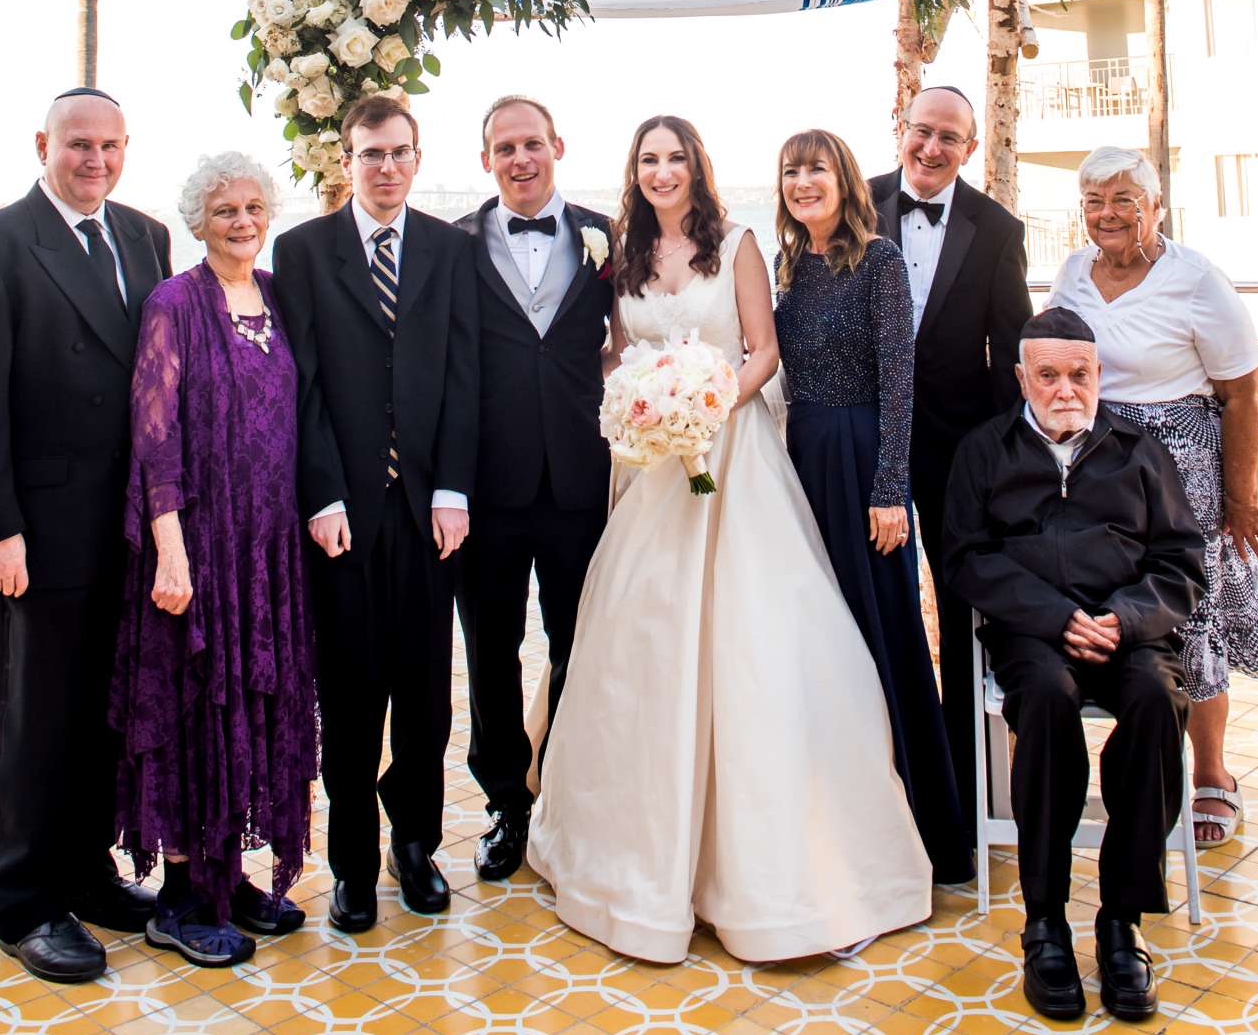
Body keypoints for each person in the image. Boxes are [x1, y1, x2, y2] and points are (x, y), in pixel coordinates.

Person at [530, 115, 932, 963]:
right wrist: (639, 396)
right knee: (642, 642)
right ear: (633, 171)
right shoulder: (622, 257)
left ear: (698, 168)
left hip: (731, 456)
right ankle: (630, 852)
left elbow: (763, 351)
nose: (662, 171)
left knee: (755, 641)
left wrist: (705, 404)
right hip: (653, 472)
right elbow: (613, 350)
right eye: (648, 159)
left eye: (676, 158)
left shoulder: (742, 242)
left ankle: (766, 867)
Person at [0, 89, 173, 982]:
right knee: (33, 722)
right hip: (35, 535)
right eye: (79, 144)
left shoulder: (147, 236)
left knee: (101, 719)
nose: (96, 160)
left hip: (128, 529)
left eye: (111, 145)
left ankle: (87, 871)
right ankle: (25, 902)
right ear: (44, 144)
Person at [943, 308, 1206, 1023]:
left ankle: (1121, 924)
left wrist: (1125, 618)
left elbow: (1182, 563)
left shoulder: (1139, 452)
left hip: (1128, 633)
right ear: (1022, 377)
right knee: (1051, 704)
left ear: (1099, 376)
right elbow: (966, 557)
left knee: (1157, 701)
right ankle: (1046, 922)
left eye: (1080, 374)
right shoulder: (984, 452)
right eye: (1050, 375)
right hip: (1035, 635)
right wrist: (1055, 618)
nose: (1066, 389)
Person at [273, 96, 479, 931]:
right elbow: (303, 386)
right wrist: (319, 493)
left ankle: (416, 845)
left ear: (417, 158)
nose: (385, 167)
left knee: (427, 696)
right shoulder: (302, 252)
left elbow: (466, 374)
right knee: (351, 697)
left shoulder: (451, 250)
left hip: (432, 511)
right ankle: (352, 866)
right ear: (346, 162)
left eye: (399, 153)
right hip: (344, 514)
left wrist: (454, 487)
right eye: (370, 154)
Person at [111, 153, 317, 968]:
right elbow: (154, 438)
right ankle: (183, 899)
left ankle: (230, 880)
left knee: (256, 705)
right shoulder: (174, 304)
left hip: (269, 549)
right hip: (199, 548)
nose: (242, 220)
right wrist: (170, 552)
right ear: (198, 219)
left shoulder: (278, 297)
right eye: (225, 208)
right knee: (199, 708)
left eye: (255, 206)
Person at [1048, 145, 1258, 848]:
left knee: (1192, 610)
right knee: (1117, 609)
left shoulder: (1195, 279)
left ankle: (1212, 773)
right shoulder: (1072, 273)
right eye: (1095, 201)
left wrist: (1241, 500)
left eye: (1125, 201)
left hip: (1182, 466)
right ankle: (1139, 766)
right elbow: (1051, 355)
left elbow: (1243, 394)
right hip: (1095, 463)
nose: (1108, 214)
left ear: (1156, 210)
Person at [776, 129, 972, 884]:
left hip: (863, 462)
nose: (802, 182)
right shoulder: (790, 263)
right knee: (824, 641)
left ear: (844, 178)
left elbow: (900, 381)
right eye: (791, 171)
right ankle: (837, 818)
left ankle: (921, 828)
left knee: (883, 633)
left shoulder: (879, 260)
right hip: (802, 462)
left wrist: (891, 490)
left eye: (815, 168)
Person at [451, 96, 613, 883]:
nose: (521, 159)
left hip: (582, 478)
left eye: (533, 144)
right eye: (505, 147)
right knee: (491, 651)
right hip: (487, 485)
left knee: (581, 643)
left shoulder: (607, 235)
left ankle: (576, 793)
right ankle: (505, 806)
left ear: (558, 145)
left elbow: (629, 339)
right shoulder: (453, 247)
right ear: (486, 159)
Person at [869, 85, 1031, 822]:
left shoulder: (996, 228)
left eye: (949, 138)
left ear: (970, 148)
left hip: (958, 451)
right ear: (900, 130)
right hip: (862, 444)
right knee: (868, 602)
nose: (932, 149)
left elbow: (1011, 354)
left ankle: (962, 793)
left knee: (964, 607)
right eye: (921, 131)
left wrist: (999, 462)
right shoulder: (853, 200)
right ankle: (880, 768)